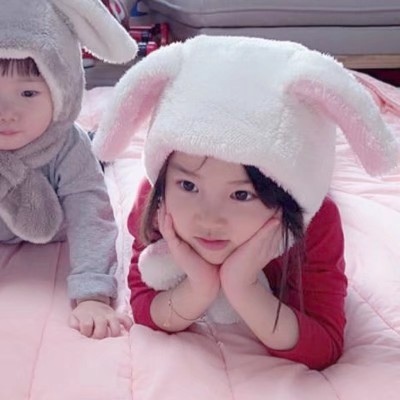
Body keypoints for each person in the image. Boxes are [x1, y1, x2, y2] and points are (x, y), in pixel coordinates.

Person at [93, 36, 399, 368]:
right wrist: (200, 286)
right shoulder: (156, 202)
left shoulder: (315, 222)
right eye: (189, 185)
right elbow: (145, 308)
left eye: (241, 195)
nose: (209, 219)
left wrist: (244, 287)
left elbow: (324, 344)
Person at [0, 0, 138, 338]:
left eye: (28, 93)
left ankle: (98, 143)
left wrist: (92, 293)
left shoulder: (66, 145)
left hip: (56, 223)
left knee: (91, 156)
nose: (7, 113)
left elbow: (91, 213)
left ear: (63, 89)